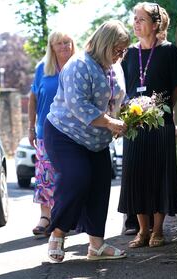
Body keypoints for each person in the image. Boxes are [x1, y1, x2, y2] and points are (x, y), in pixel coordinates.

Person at [43, 19, 130, 263]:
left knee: (100, 186)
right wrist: (111, 123)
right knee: (77, 178)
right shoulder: (79, 65)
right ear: (105, 44)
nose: (120, 55)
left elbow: (117, 99)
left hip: (97, 139)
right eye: (117, 49)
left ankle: (97, 246)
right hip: (65, 133)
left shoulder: (115, 66)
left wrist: (125, 118)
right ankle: (58, 233)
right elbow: (78, 105)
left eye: (123, 50)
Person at [118, 2, 177, 248]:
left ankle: (158, 230)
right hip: (134, 126)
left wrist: (162, 110)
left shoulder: (169, 51)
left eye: (141, 19)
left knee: (160, 176)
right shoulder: (129, 53)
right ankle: (142, 231)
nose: (136, 23)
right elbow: (122, 88)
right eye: (134, 18)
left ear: (155, 25)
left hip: (161, 124)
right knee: (136, 176)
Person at [29, 30, 75, 236]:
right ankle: (45, 216)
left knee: (70, 174)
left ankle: (67, 216)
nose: (64, 47)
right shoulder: (42, 69)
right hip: (45, 131)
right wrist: (31, 126)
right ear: (52, 47)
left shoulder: (79, 66)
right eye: (59, 43)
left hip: (73, 130)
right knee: (45, 175)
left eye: (67, 42)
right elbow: (33, 98)